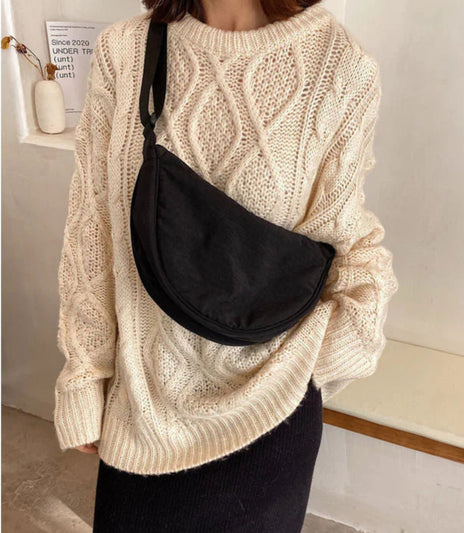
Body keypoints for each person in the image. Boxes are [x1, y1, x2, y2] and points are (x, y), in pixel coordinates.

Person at [53, 0, 399, 531]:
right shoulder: (125, 50)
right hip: (142, 415)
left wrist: (319, 360)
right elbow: (93, 227)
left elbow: (346, 242)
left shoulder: (341, 67)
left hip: (270, 417)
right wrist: (84, 374)